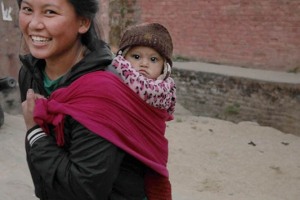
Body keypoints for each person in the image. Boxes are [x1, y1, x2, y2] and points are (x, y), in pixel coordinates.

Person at [17, 0, 172, 200]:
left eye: (49, 12)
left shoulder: (102, 92)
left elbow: (84, 190)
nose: (34, 23)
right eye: (27, 9)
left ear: (83, 22)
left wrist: (35, 132)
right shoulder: (30, 72)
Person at [111, 23, 176, 116]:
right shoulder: (111, 83)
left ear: (164, 68)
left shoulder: (167, 94)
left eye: (153, 59)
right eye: (136, 57)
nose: (144, 64)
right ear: (123, 57)